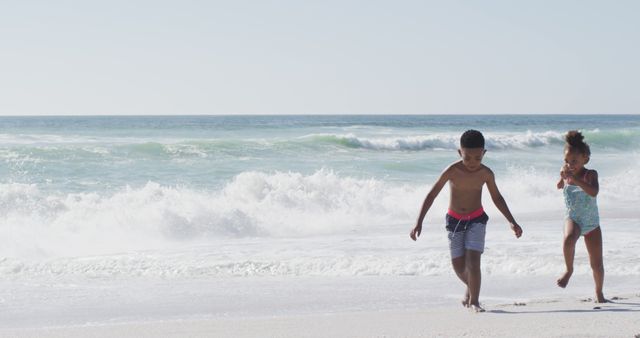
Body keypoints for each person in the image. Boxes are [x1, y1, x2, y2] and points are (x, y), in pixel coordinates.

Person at [410, 130, 523, 312]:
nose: (472, 163)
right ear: (459, 153)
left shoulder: (486, 173)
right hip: (454, 222)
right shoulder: (452, 171)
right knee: (458, 265)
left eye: (477, 158)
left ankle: (475, 301)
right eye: (467, 157)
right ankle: (470, 288)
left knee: (473, 261)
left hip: (477, 220)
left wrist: (511, 221)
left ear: (484, 153)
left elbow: (497, 198)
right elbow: (432, 194)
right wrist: (419, 221)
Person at [556, 130, 606, 303]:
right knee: (569, 239)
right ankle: (569, 270)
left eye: (574, 161)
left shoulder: (590, 174)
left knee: (597, 264)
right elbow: (559, 185)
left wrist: (575, 180)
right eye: (567, 161)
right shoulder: (566, 173)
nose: (570, 165)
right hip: (573, 218)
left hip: (592, 223)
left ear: (586, 158)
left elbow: (594, 192)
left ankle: (599, 292)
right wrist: (561, 179)